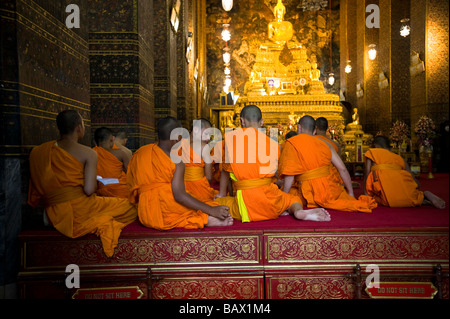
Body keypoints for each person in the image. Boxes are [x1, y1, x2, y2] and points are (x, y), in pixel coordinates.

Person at [27, 110, 137, 257]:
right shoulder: (88, 153)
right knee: (131, 207)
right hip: (80, 209)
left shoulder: (38, 151)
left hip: (50, 209)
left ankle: (52, 218)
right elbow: (89, 190)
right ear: (79, 128)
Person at [215, 105, 331, 222]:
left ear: (242, 121)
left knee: (215, 203)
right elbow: (274, 173)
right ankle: (298, 211)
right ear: (262, 122)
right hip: (270, 202)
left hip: (244, 206)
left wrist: (221, 194)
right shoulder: (273, 144)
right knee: (292, 199)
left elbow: (226, 171)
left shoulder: (231, 140)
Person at [127, 116, 233, 230]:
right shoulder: (177, 161)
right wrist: (211, 210)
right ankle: (205, 219)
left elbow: (132, 186)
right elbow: (180, 196)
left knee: (197, 201)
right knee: (209, 206)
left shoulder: (141, 153)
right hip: (168, 208)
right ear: (177, 137)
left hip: (145, 212)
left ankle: (204, 216)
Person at [278, 115, 377, 213]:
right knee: (340, 195)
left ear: (299, 128)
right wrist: (351, 193)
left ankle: (297, 210)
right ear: (314, 131)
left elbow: (289, 174)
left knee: (287, 194)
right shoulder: (326, 144)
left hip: (306, 192)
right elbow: (342, 169)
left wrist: (284, 196)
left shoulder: (292, 143)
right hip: (328, 190)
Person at [364, 135, 445, 209]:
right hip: (405, 190)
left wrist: (366, 194)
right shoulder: (399, 157)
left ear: (375, 145)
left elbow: (367, 174)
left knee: (377, 198)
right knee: (410, 197)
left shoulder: (372, 153)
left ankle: (423, 198)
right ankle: (423, 196)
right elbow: (413, 179)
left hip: (388, 195)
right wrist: (416, 188)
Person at [180, 118, 218, 202]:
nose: (208, 138)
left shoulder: (178, 145)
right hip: (199, 191)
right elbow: (208, 177)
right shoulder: (204, 147)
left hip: (180, 191)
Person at [93, 127, 130, 198]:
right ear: (112, 139)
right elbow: (130, 174)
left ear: (94, 142)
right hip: (120, 191)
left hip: (100, 192)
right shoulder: (121, 153)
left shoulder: (91, 153)